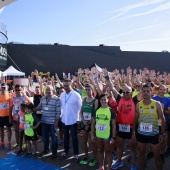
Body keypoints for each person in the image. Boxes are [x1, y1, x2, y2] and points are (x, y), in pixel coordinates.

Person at [103, 69, 137, 170]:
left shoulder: (134, 100)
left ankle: (133, 164)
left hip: (131, 127)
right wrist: (106, 77)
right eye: (124, 92)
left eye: (128, 92)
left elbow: (145, 90)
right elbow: (111, 87)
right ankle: (119, 161)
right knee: (119, 145)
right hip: (121, 126)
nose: (126, 94)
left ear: (131, 93)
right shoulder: (119, 98)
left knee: (131, 146)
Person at [132, 84, 166, 170]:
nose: (146, 93)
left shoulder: (157, 104)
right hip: (141, 134)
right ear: (141, 93)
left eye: (148, 91)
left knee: (157, 156)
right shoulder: (138, 105)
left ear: (151, 92)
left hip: (154, 134)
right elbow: (135, 120)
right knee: (142, 154)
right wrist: (133, 133)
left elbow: (162, 119)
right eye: (144, 91)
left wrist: (162, 133)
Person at [34, 85, 61, 159]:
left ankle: (54, 152)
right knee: (45, 137)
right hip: (44, 121)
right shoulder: (43, 98)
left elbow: (58, 111)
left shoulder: (56, 99)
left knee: (54, 138)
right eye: (47, 90)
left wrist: (56, 121)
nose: (48, 91)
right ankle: (46, 150)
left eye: (50, 90)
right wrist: (32, 109)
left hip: (52, 122)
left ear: (52, 90)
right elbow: (39, 107)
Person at [91, 94, 116, 170]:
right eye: (102, 99)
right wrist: (92, 135)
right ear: (99, 101)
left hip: (107, 136)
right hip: (98, 135)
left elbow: (114, 125)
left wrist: (113, 137)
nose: (103, 101)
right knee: (101, 151)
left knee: (108, 152)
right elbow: (93, 124)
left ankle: (109, 167)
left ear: (108, 100)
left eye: (105, 99)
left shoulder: (111, 111)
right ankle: (101, 166)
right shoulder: (97, 111)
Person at [60, 79, 82, 162]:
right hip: (64, 120)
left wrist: (79, 119)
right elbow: (61, 107)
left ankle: (76, 154)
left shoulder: (76, 95)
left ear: (71, 85)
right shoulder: (62, 95)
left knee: (74, 138)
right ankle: (66, 152)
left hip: (73, 120)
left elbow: (80, 107)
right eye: (64, 85)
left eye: (67, 85)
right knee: (66, 137)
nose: (65, 87)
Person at [79, 84, 98, 167]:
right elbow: (81, 112)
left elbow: (94, 114)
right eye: (86, 90)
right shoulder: (84, 100)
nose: (87, 91)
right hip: (84, 123)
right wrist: (83, 121)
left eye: (89, 89)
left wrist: (89, 123)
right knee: (84, 141)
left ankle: (94, 158)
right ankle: (86, 156)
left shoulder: (95, 101)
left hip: (91, 124)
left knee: (93, 141)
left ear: (92, 90)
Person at [9, 84, 27, 150]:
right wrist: (10, 117)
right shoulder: (13, 99)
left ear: (21, 90)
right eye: (16, 90)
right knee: (16, 130)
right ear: (14, 90)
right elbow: (10, 108)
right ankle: (17, 143)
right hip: (15, 118)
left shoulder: (24, 98)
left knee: (24, 131)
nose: (17, 91)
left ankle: (25, 144)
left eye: (19, 90)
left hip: (22, 118)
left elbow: (26, 108)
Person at [0, 83, 12, 150]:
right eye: (2, 87)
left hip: (7, 115)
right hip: (0, 116)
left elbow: (10, 107)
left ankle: (9, 142)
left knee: (8, 129)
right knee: (1, 129)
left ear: (6, 88)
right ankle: (2, 142)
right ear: (0, 88)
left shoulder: (9, 95)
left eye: (4, 87)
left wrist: (10, 117)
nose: (3, 88)